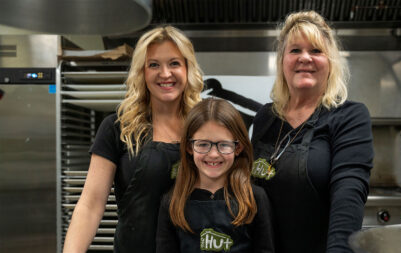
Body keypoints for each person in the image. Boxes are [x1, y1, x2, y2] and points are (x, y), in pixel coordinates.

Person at [63, 26, 204, 253]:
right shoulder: (118, 128)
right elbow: (91, 204)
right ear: (142, 72)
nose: (165, 73)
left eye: (174, 63)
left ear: (188, 69)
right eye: (154, 64)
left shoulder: (204, 128)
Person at [251, 11, 374, 253]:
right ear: (282, 61)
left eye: (316, 51)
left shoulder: (349, 116)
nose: (305, 58)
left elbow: (348, 195)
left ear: (330, 62)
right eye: (295, 50)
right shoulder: (265, 117)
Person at [156, 98, 274, 253]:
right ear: (189, 147)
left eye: (223, 145)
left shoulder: (255, 198)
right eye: (203, 144)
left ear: (238, 148)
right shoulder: (172, 202)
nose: (213, 154)